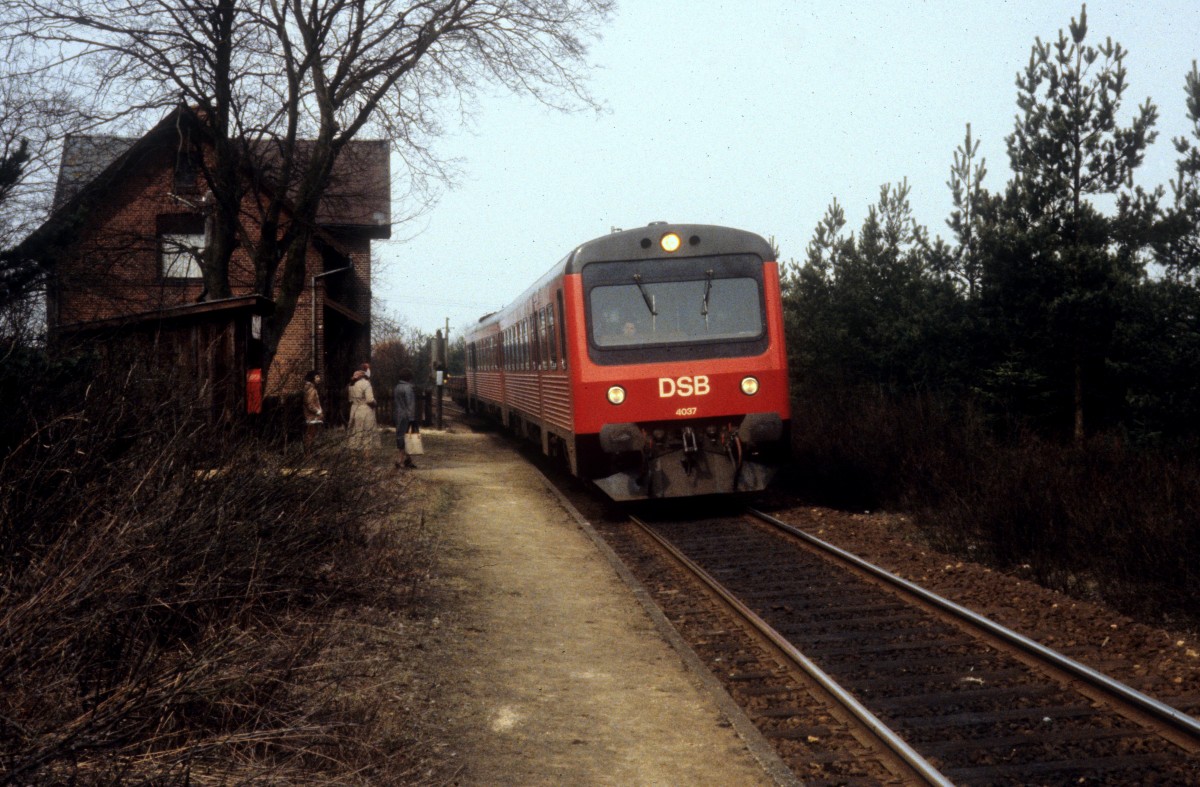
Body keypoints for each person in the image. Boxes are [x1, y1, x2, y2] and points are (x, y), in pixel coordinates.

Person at [347, 363, 377, 457]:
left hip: (354, 409)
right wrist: (375, 404)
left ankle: (353, 460)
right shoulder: (366, 384)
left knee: (354, 432)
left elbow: (350, 399)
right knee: (367, 433)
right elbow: (370, 399)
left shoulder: (352, 384)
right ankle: (367, 461)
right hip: (365, 410)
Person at [392, 368, 417, 469]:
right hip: (406, 416)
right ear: (409, 378)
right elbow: (410, 404)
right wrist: (412, 418)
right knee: (406, 437)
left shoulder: (397, 387)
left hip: (398, 414)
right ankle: (401, 460)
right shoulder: (408, 388)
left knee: (401, 436)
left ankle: (408, 460)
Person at [302, 370, 324, 455]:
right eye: (317, 377)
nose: (319, 379)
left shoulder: (310, 388)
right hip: (312, 416)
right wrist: (318, 411)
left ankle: (309, 453)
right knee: (311, 434)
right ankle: (308, 454)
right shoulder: (311, 389)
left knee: (311, 434)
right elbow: (310, 404)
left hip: (311, 415)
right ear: (312, 378)